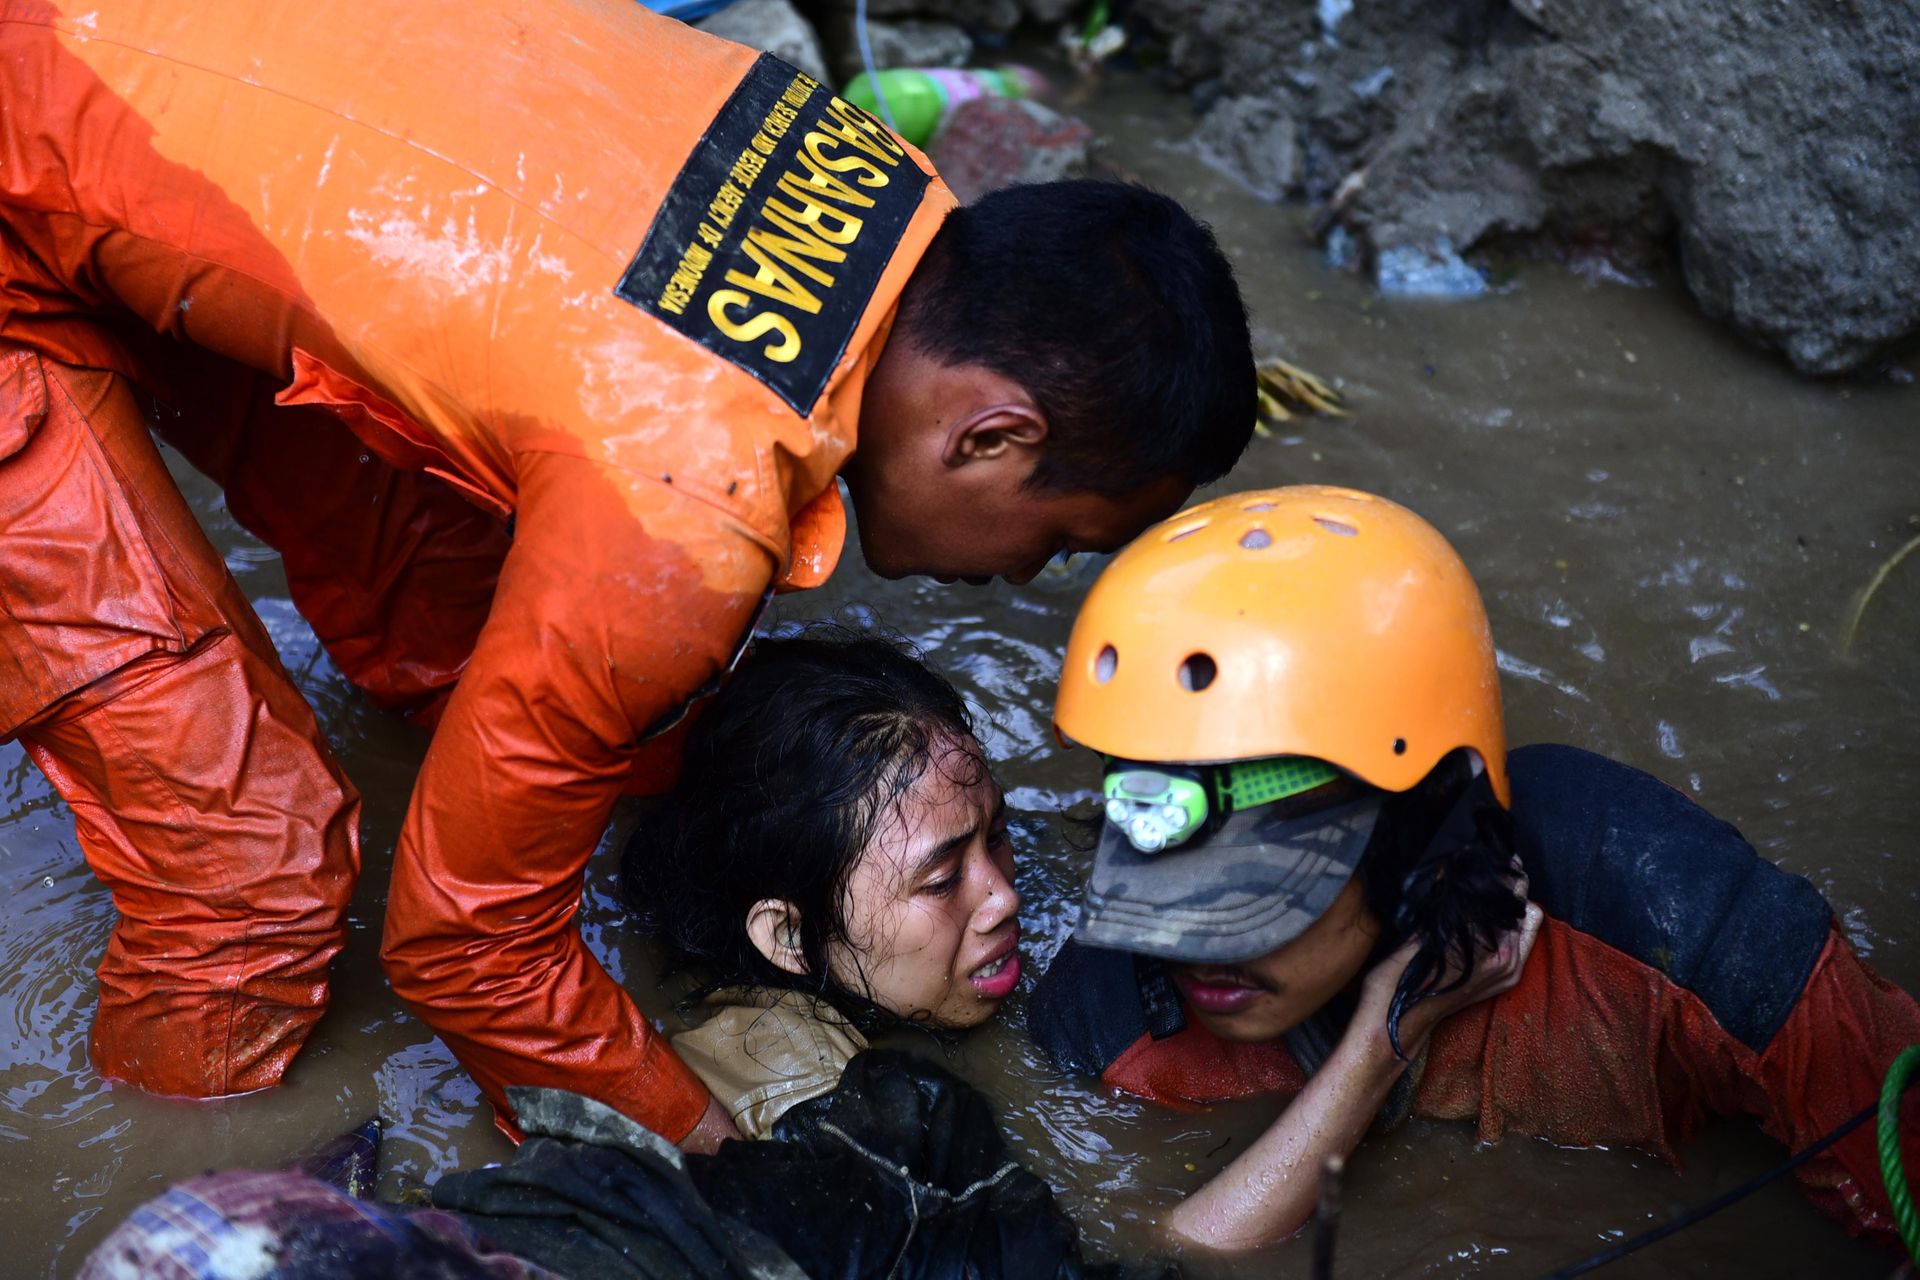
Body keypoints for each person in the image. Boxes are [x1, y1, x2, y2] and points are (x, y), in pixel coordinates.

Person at [0, 0, 1253, 1147]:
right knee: (243, 881)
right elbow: (466, 949)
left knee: (465, 635)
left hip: (139, 109)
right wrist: (711, 1151)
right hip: (30, 198)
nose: (1032, 572)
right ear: (988, 436)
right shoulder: (686, 505)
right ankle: (176, 1179)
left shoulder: (875, 182)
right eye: (1061, 540)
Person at [1026, 485, 1920, 1251]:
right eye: (1166, 886)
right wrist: (1386, 1041)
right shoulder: (1106, 1017)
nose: (1193, 950)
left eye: (1254, 900)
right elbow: (1170, 1260)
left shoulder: (1668, 911)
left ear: (1425, 837)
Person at [621, 627, 1020, 1138]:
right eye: (943, 881)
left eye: (997, 836)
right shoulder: (803, 1110)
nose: (1005, 896)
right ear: (789, 938)